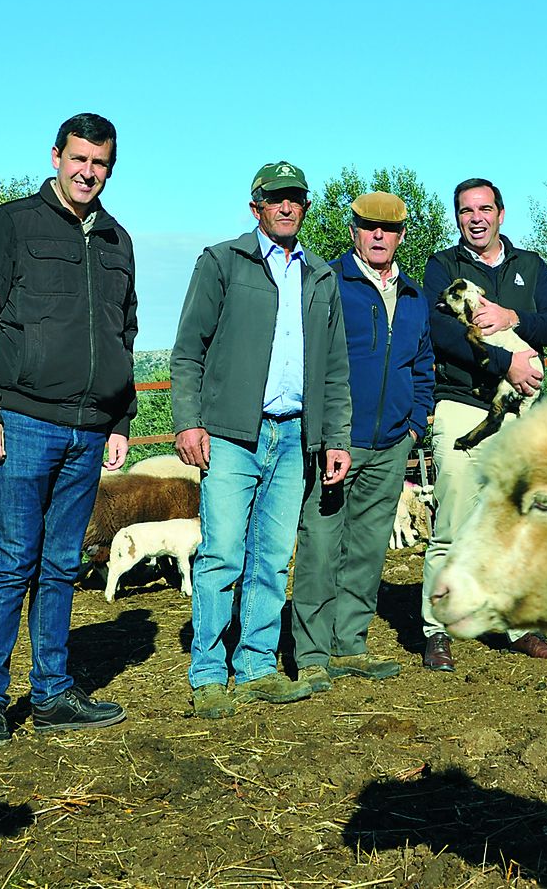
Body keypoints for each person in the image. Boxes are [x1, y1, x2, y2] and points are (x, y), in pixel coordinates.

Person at [0, 112, 134, 749]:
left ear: (111, 166)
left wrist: (119, 419)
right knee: (9, 564)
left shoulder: (116, 239)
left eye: (101, 163)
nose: (89, 173)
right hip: (22, 421)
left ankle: (52, 692)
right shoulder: (12, 225)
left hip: (89, 429)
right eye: (79, 159)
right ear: (56, 157)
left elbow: (122, 336)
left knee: (60, 566)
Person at [171, 161, 352, 719]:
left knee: (273, 558)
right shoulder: (223, 262)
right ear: (256, 207)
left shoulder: (320, 277)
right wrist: (187, 420)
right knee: (223, 551)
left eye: (296, 198)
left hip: (295, 432)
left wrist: (336, 437)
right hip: (230, 434)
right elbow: (187, 351)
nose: (286, 206)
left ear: (305, 206)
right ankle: (207, 672)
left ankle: (256, 667)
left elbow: (336, 368)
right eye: (275, 199)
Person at [419, 178, 547, 671]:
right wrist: (505, 362)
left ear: (501, 214)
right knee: (452, 522)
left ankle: (520, 624)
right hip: (464, 402)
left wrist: (511, 317)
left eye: (484, 209)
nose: (475, 218)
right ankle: (436, 628)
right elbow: (439, 332)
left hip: (522, 408)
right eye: (466, 211)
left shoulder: (531, 266)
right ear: (457, 217)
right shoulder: (443, 267)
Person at [291, 192, 433, 691]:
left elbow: (422, 366)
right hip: (338, 443)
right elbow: (311, 362)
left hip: (393, 444)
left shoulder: (414, 296)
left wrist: (415, 425)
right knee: (321, 546)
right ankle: (310, 652)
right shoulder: (328, 283)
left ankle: (348, 644)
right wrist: (328, 431)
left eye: (388, 229)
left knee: (370, 548)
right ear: (353, 230)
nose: (378, 236)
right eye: (369, 227)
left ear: (400, 236)